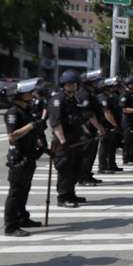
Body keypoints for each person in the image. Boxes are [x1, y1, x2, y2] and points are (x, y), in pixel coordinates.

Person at [3, 78, 47, 237]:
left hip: (29, 155)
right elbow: (12, 136)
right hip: (18, 157)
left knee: (24, 190)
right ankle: (10, 226)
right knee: (15, 192)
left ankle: (22, 218)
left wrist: (43, 146)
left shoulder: (27, 110)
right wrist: (31, 126)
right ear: (19, 95)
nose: (32, 94)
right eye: (29, 92)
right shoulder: (13, 112)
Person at [48, 69, 87, 208]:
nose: (73, 86)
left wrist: (85, 133)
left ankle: (71, 193)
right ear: (64, 84)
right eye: (70, 84)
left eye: (75, 84)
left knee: (75, 167)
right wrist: (63, 140)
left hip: (75, 139)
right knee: (65, 169)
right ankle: (63, 197)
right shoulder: (58, 100)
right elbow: (56, 122)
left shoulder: (73, 99)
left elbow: (79, 119)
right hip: (63, 141)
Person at [97, 77, 124, 173]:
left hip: (113, 125)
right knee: (105, 147)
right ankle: (103, 167)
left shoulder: (111, 96)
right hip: (106, 125)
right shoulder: (102, 97)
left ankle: (111, 164)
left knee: (112, 147)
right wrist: (115, 125)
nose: (115, 88)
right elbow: (107, 113)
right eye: (112, 86)